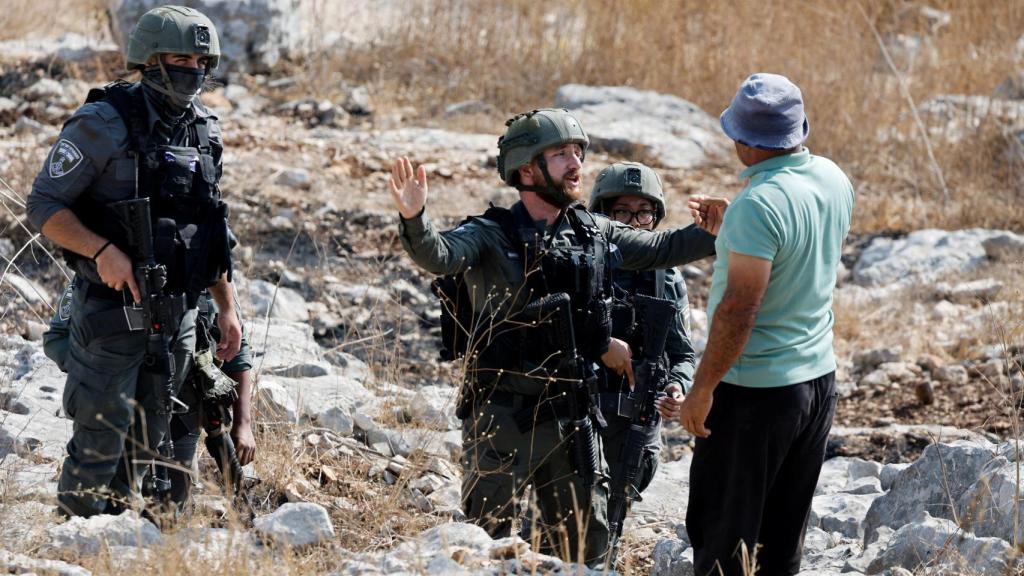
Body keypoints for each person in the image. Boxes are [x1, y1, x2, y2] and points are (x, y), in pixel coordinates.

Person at [388, 108, 725, 566]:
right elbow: (440, 254)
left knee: (586, 549)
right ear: (527, 169)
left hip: (573, 417)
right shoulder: (491, 234)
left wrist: (716, 230)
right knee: (487, 548)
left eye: (579, 152)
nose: (576, 164)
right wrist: (415, 217)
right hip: (502, 418)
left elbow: (662, 248)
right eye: (562, 154)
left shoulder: (595, 231)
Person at [26, 5, 241, 518]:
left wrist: (227, 308)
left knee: (150, 433)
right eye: (178, 57)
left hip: (180, 315)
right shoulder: (102, 122)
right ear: (149, 59)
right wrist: (102, 251)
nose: (191, 69)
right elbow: (44, 206)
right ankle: (75, 538)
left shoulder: (204, 132)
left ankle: (119, 536)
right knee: (101, 434)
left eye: (199, 59)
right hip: (112, 309)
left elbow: (212, 234)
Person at [674, 73, 855, 576]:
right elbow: (803, 247)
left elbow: (739, 310)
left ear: (744, 141)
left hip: (756, 392)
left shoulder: (758, 206)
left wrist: (703, 388)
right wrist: (734, 229)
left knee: (723, 543)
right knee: (781, 544)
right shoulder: (832, 177)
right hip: (817, 382)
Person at [42, 284, 256, 511]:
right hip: (115, 409)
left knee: (169, 507)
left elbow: (237, 349)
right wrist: (103, 371)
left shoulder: (206, 277)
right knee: (103, 494)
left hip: (181, 415)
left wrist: (244, 424)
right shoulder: (107, 276)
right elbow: (56, 339)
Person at [587, 161, 695, 512]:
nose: (634, 223)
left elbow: (683, 354)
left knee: (620, 504)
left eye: (644, 213)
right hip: (583, 409)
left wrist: (677, 388)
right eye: (622, 212)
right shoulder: (584, 267)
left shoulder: (667, 279)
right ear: (603, 215)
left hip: (638, 417)